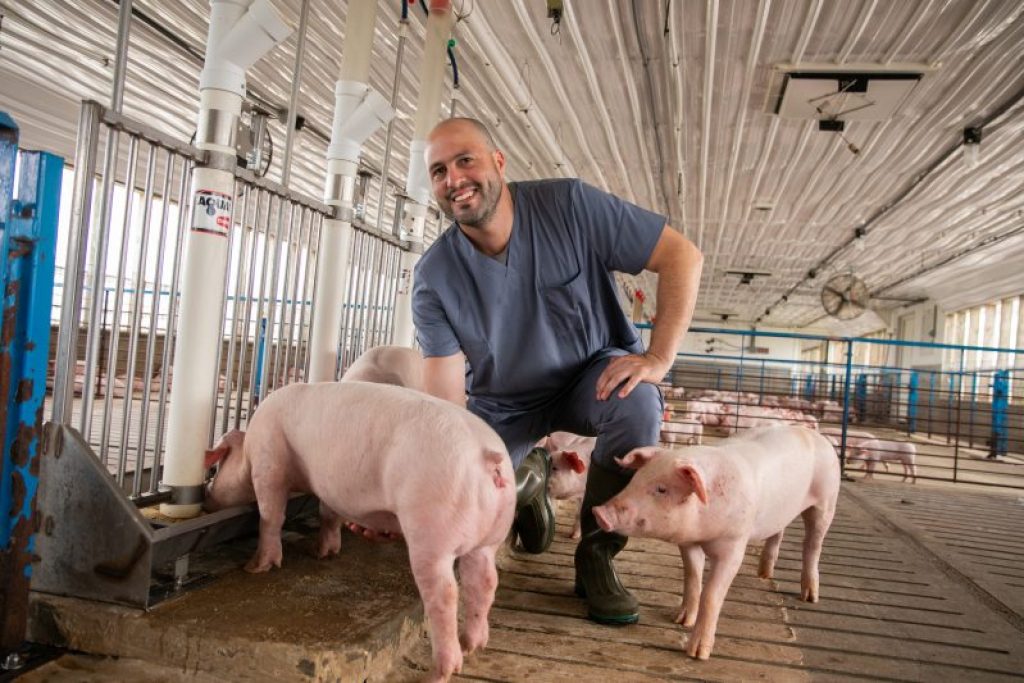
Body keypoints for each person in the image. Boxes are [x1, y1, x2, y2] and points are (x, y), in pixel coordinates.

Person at [412, 117, 702, 625]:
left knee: (637, 404)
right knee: (459, 498)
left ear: (498, 162)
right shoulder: (435, 277)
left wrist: (659, 357)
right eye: (438, 171)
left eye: (465, 160)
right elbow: (442, 401)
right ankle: (527, 485)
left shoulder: (568, 206)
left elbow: (681, 255)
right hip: (503, 405)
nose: (454, 178)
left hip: (592, 375)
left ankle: (596, 558)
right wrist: (428, 479)